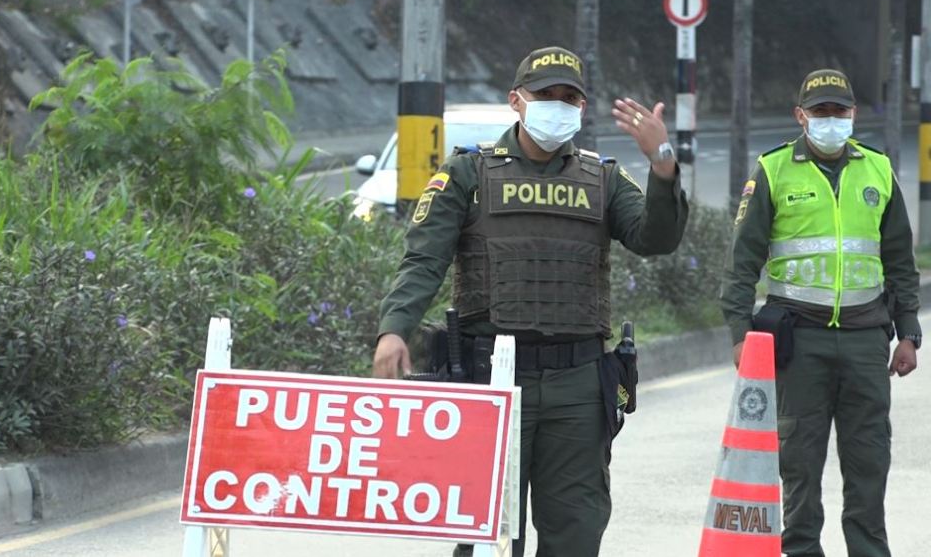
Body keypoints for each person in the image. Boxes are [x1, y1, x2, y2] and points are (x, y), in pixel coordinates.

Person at [372, 46, 688, 557]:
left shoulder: (603, 178)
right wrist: (394, 328)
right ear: (516, 101)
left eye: (570, 98)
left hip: (578, 384)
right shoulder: (468, 174)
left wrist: (662, 162)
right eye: (546, 96)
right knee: (488, 533)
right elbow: (424, 261)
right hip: (491, 380)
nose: (558, 106)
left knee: (576, 533)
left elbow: (656, 239)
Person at [719, 68, 920, 557]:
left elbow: (899, 259)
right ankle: (802, 548)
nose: (831, 119)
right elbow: (742, 260)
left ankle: (869, 550)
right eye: (821, 111)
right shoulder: (773, 171)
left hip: (866, 340)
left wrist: (909, 332)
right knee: (800, 461)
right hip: (799, 342)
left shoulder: (877, 169)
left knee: (869, 459)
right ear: (801, 116)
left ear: (853, 114)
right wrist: (739, 333)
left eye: (840, 111)